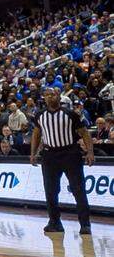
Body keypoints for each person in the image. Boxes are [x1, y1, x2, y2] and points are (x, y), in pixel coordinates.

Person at [30, 87, 94, 235]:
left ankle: (85, 224)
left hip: (70, 153)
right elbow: (36, 134)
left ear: (59, 97)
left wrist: (90, 152)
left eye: (52, 94)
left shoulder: (70, 114)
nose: (49, 97)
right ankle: (54, 222)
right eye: (46, 95)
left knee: (78, 190)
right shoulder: (40, 115)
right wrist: (33, 153)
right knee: (50, 191)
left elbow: (84, 133)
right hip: (49, 155)